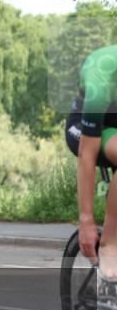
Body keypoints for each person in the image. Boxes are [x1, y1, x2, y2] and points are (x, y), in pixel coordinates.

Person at [65, 44, 117, 280]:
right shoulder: (102, 69)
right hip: (88, 131)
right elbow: (87, 155)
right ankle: (109, 243)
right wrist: (86, 221)